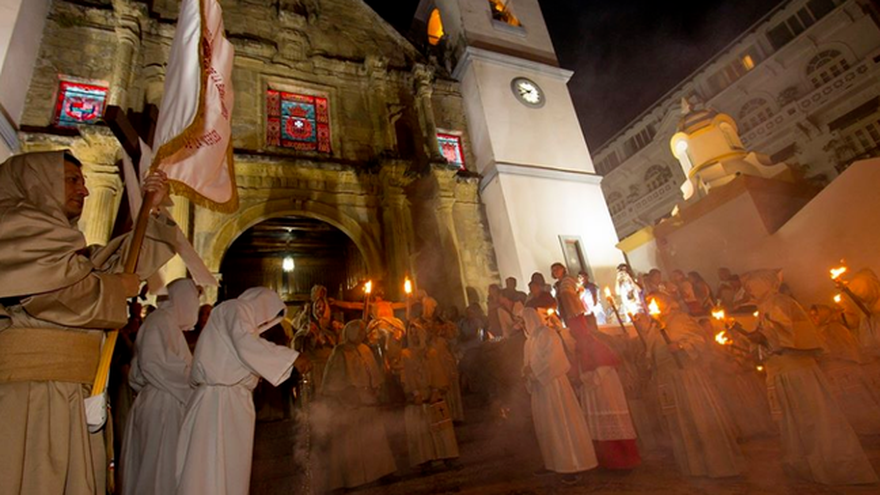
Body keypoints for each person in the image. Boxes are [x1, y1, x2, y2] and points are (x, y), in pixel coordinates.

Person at [0, 150, 178, 495]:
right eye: (72, 180)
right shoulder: (14, 227)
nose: (84, 191)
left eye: (82, 181)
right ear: (37, 182)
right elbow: (59, 294)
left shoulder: (63, 248)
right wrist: (116, 288)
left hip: (70, 394)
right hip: (33, 397)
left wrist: (153, 209)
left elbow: (117, 265)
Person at [742, 270, 877, 485]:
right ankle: (807, 467)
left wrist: (764, 336)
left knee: (814, 419)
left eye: (752, 284)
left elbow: (793, 334)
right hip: (782, 372)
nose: (748, 289)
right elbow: (769, 341)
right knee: (797, 423)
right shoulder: (763, 308)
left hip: (797, 372)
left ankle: (836, 467)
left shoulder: (780, 302)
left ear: (765, 284)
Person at [175, 287, 311, 495]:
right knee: (212, 467)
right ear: (262, 304)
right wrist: (292, 358)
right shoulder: (233, 308)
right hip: (218, 403)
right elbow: (245, 341)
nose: (266, 322)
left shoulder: (236, 314)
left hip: (231, 401)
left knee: (230, 468)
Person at [640, 294, 743, 478]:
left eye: (654, 302)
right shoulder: (655, 326)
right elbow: (653, 352)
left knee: (698, 418)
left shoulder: (680, 319)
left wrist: (681, 346)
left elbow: (698, 340)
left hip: (686, 378)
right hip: (668, 381)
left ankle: (716, 465)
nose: (651, 306)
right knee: (681, 423)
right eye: (648, 304)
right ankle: (695, 466)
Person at [551, 263, 639, 469]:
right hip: (595, 393)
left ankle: (624, 461)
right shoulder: (581, 344)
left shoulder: (594, 343)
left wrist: (583, 379)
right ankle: (608, 460)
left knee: (612, 425)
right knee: (599, 427)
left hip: (604, 392)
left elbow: (603, 367)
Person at [121, 279, 200, 495]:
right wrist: (196, 381)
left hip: (167, 401)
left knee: (164, 468)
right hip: (162, 406)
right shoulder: (159, 321)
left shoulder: (167, 324)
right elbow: (153, 363)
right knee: (157, 469)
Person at [522, 308, 597, 485]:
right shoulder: (529, 341)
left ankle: (571, 465)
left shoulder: (548, 334)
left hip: (554, 386)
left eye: (523, 321)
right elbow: (526, 363)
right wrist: (526, 372)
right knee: (546, 427)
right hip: (540, 389)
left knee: (561, 424)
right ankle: (552, 462)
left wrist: (534, 371)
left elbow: (554, 360)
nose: (522, 325)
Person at [321, 320, 397, 491]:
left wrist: (376, 388)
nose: (362, 334)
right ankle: (353, 478)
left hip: (368, 399)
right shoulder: (340, 351)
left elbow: (374, 373)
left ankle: (381, 472)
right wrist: (345, 394)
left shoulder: (365, 349)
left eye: (363, 331)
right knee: (352, 441)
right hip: (351, 403)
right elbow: (334, 380)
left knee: (374, 437)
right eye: (359, 330)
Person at [810, 304, 880, 435]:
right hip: (831, 372)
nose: (814, 318)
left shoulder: (835, 329)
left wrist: (824, 353)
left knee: (857, 400)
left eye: (816, 314)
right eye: (812, 315)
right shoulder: (818, 331)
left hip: (844, 370)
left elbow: (845, 348)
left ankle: (870, 428)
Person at [399, 319, 460, 469]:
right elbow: (406, 376)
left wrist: (435, 390)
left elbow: (437, 372)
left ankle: (448, 458)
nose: (413, 336)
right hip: (418, 397)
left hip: (433, 396)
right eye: (410, 333)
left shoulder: (431, 352)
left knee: (442, 429)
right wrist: (415, 393)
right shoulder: (405, 354)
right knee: (421, 431)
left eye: (416, 332)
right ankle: (424, 462)